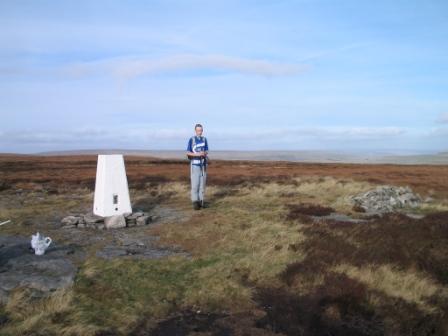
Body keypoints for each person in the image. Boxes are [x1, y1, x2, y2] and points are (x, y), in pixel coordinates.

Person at [186, 123, 209, 210]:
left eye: (201, 130)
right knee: (195, 184)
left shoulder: (204, 139)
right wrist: (197, 154)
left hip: (203, 164)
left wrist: (204, 153)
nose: (200, 132)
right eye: (198, 130)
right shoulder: (192, 140)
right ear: (195, 131)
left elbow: (206, 150)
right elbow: (188, 152)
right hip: (194, 164)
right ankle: (195, 202)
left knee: (202, 184)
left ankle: (201, 201)